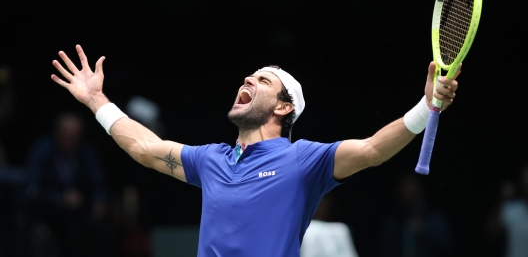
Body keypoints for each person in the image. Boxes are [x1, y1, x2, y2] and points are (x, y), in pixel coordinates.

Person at [50, 45, 460, 257]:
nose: (247, 78)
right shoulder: (211, 160)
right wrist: (95, 100)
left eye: (262, 80)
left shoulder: (304, 161)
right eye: (249, 75)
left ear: (285, 107)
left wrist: (426, 108)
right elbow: (144, 147)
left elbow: (371, 149)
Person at [25, 112, 110, 257]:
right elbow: (31, 189)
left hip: (78, 216)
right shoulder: (42, 150)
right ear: (57, 133)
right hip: (46, 215)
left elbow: (98, 182)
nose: (71, 138)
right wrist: (59, 198)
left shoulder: (87, 152)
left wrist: (99, 201)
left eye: (75, 134)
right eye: (67, 133)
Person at [379, 173, 453, 257]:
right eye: (404, 187)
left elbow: (446, 245)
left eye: (411, 186)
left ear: (419, 188)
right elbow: (385, 250)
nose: (407, 191)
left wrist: (424, 230)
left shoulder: (433, 218)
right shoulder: (393, 223)